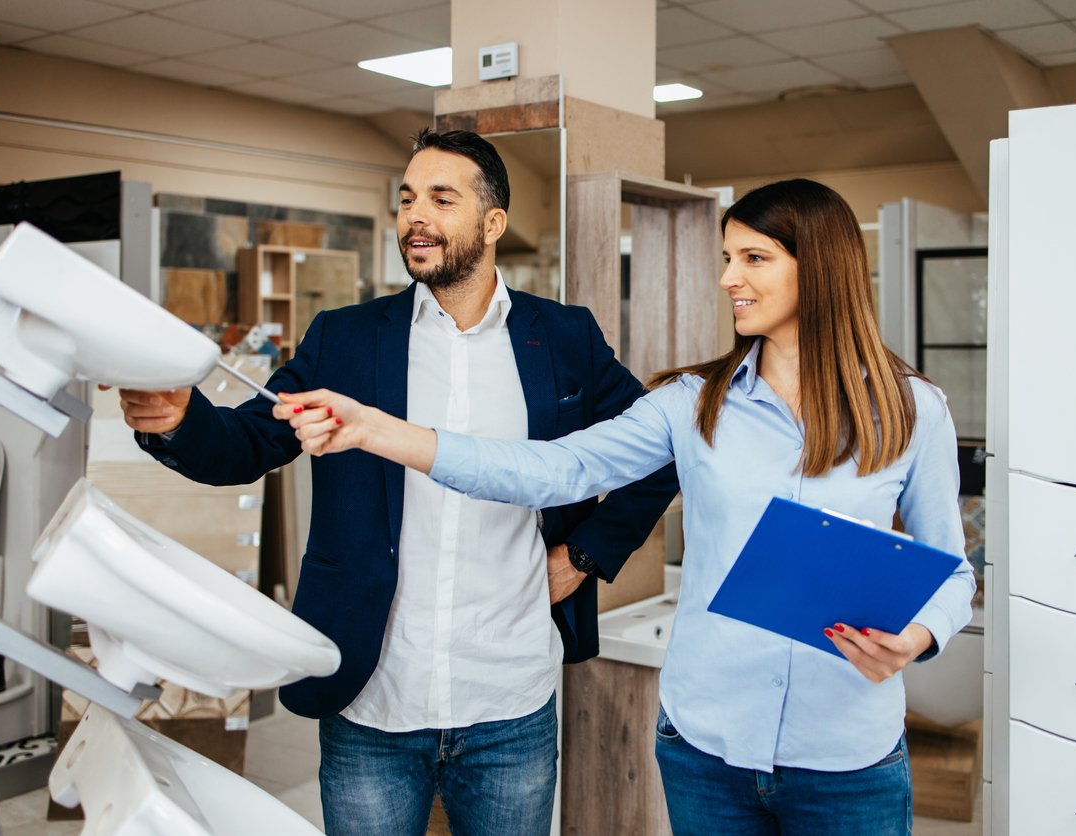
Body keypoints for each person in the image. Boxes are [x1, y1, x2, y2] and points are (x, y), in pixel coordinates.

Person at [276, 178, 976, 835]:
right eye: (728, 257)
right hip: (708, 750)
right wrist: (378, 429)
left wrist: (916, 639)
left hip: (848, 752)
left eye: (754, 258)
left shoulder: (913, 410)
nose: (730, 278)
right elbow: (555, 469)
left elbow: (951, 572)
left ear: (821, 268)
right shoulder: (692, 404)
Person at [115, 128, 678, 836]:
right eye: (408, 198)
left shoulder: (563, 338)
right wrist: (176, 420)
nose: (416, 215)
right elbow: (246, 442)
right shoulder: (344, 338)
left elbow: (656, 448)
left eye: (442, 198)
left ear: (493, 223)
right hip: (370, 699)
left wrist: (585, 556)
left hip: (510, 698)